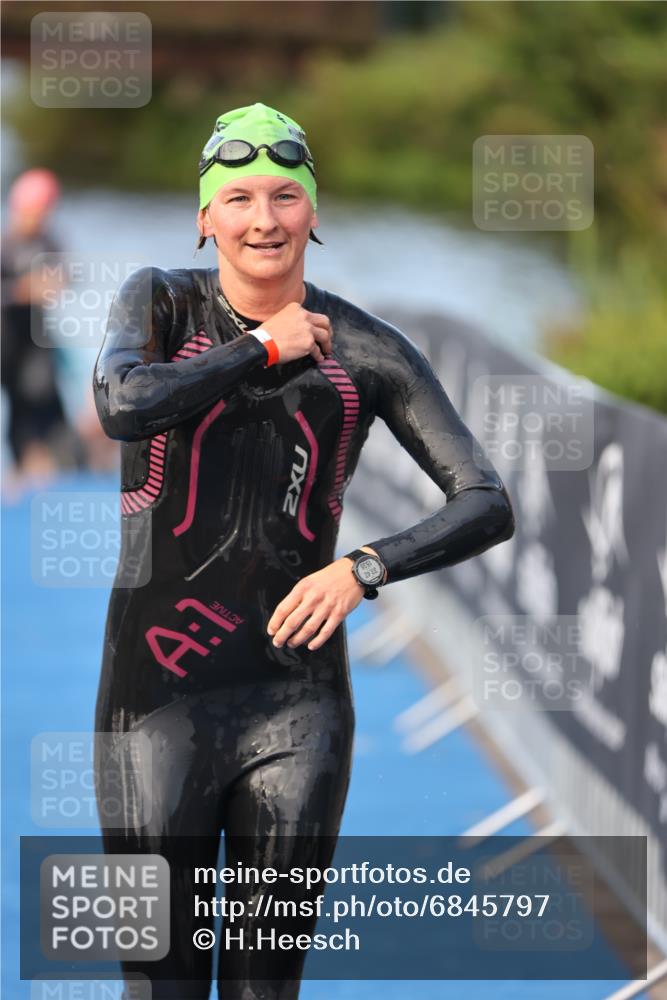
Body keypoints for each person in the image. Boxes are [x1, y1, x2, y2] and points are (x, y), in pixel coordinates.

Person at [92, 102, 515, 1000]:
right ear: (205, 217)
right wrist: (258, 348)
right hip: (152, 701)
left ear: (312, 212)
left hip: (297, 706)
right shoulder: (159, 302)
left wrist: (364, 568)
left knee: (265, 987)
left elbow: (485, 500)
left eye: (285, 196)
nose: (263, 219)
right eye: (238, 198)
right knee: (157, 983)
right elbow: (123, 405)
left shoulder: (365, 350)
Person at [1, 168, 84, 493]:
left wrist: (57, 282)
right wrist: (22, 290)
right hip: (7, 338)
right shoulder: (6, 244)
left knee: (44, 396)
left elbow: (69, 274)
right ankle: (24, 468)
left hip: (35, 338)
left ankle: (54, 467)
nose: (38, 219)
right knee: (22, 401)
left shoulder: (47, 241)